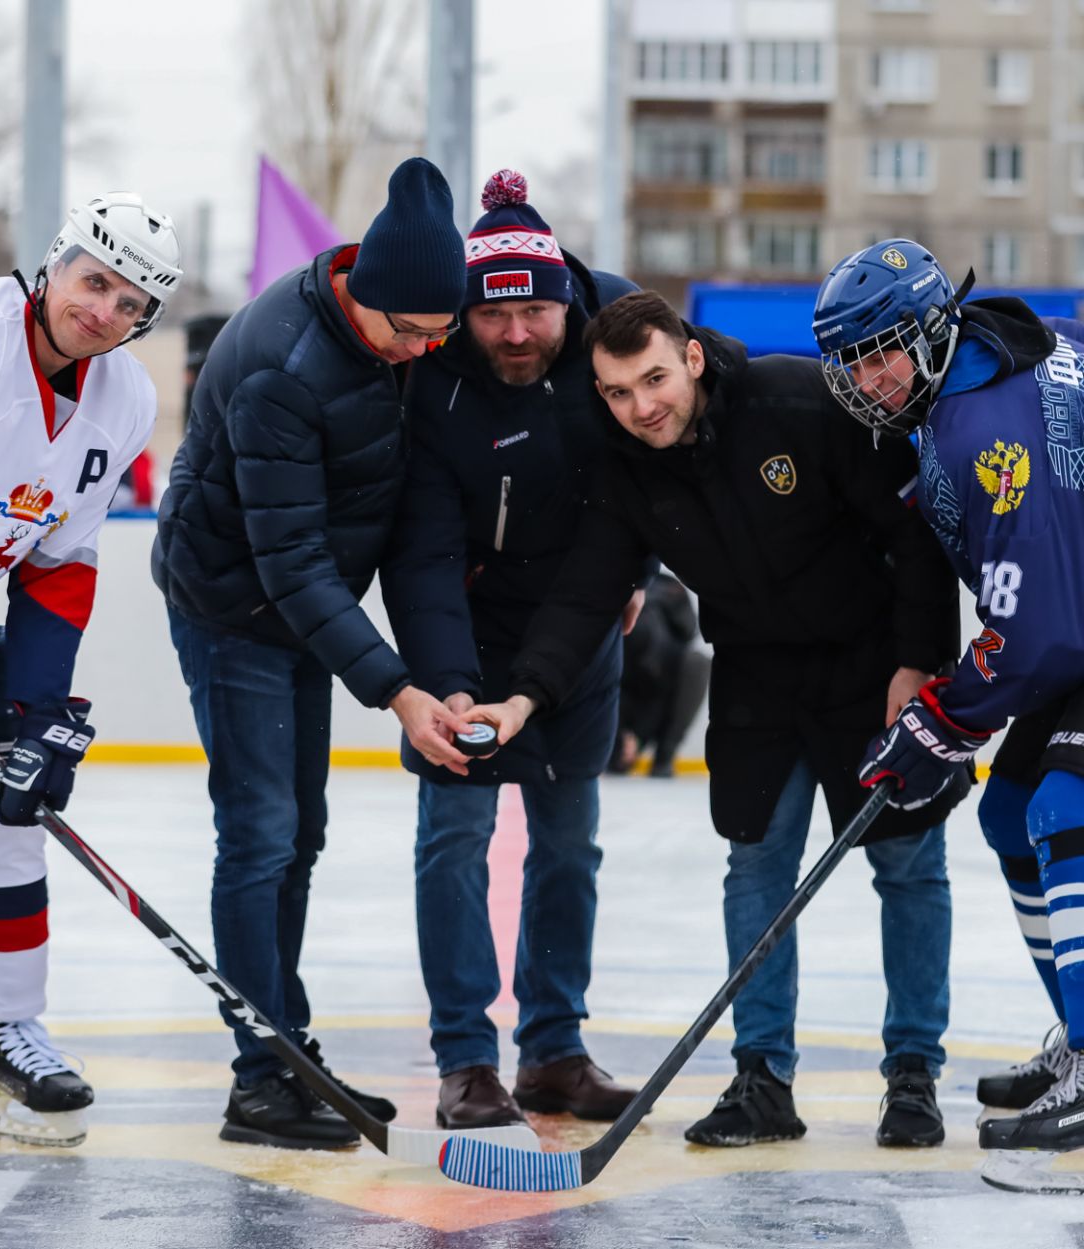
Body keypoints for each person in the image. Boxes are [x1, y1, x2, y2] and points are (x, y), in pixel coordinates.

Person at [463, 289, 968, 1150]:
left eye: (654, 379)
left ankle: (913, 1073)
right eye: (618, 392)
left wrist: (917, 664)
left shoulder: (800, 399)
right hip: (756, 680)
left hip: (869, 668)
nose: (640, 407)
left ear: (691, 357)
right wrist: (524, 694)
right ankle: (762, 1076)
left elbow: (915, 532)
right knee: (755, 869)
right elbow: (590, 588)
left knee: (908, 865)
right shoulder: (626, 464)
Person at [153, 157, 477, 1151]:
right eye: (410, 332)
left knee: (302, 832)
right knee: (259, 833)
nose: (425, 350)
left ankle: (283, 1047)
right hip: (234, 607)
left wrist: (440, 674)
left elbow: (414, 522)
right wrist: (393, 689)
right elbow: (287, 560)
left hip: (307, 603)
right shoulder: (279, 366)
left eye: (440, 331)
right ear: (362, 297)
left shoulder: (399, 344)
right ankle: (261, 1076)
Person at [0, 192, 183, 1146]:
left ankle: (2, 1031)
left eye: (130, 303)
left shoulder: (126, 400)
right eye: (94, 282)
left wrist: (39, 708)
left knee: (9, 800)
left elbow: (58, 567)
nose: (103, 311)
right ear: (54, 264)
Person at [812, 238, 1084, 1180]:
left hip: (1074, 629)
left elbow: (1041, 633)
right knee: (1012, 813)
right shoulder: (976, 370)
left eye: (883, 351)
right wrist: (944, 700)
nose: (866, 379)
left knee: (1062, 808)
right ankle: (1076, 1036)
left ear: (933, 330)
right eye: (852, 360)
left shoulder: (983, 427)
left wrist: (943, 717)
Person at [379, 170, 640, 1129]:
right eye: (496, 317)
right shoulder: (434, 377)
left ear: (566, 301)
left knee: (569, 846)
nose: (517, 334)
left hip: (578, 627)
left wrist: (637, 571)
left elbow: (655, 463)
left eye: (535, 310)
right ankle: (464, 1058)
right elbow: (421, 551)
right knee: (455, 841)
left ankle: (555, 1051)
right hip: (466, 623)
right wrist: (444, 686)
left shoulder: (614, 340)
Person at [608, 571, 710, 778]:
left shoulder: (668, 586)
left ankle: (664, 754)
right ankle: (618, 744)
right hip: (622, 694)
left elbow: (689, 630)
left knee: (697, 662)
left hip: (659, 683)